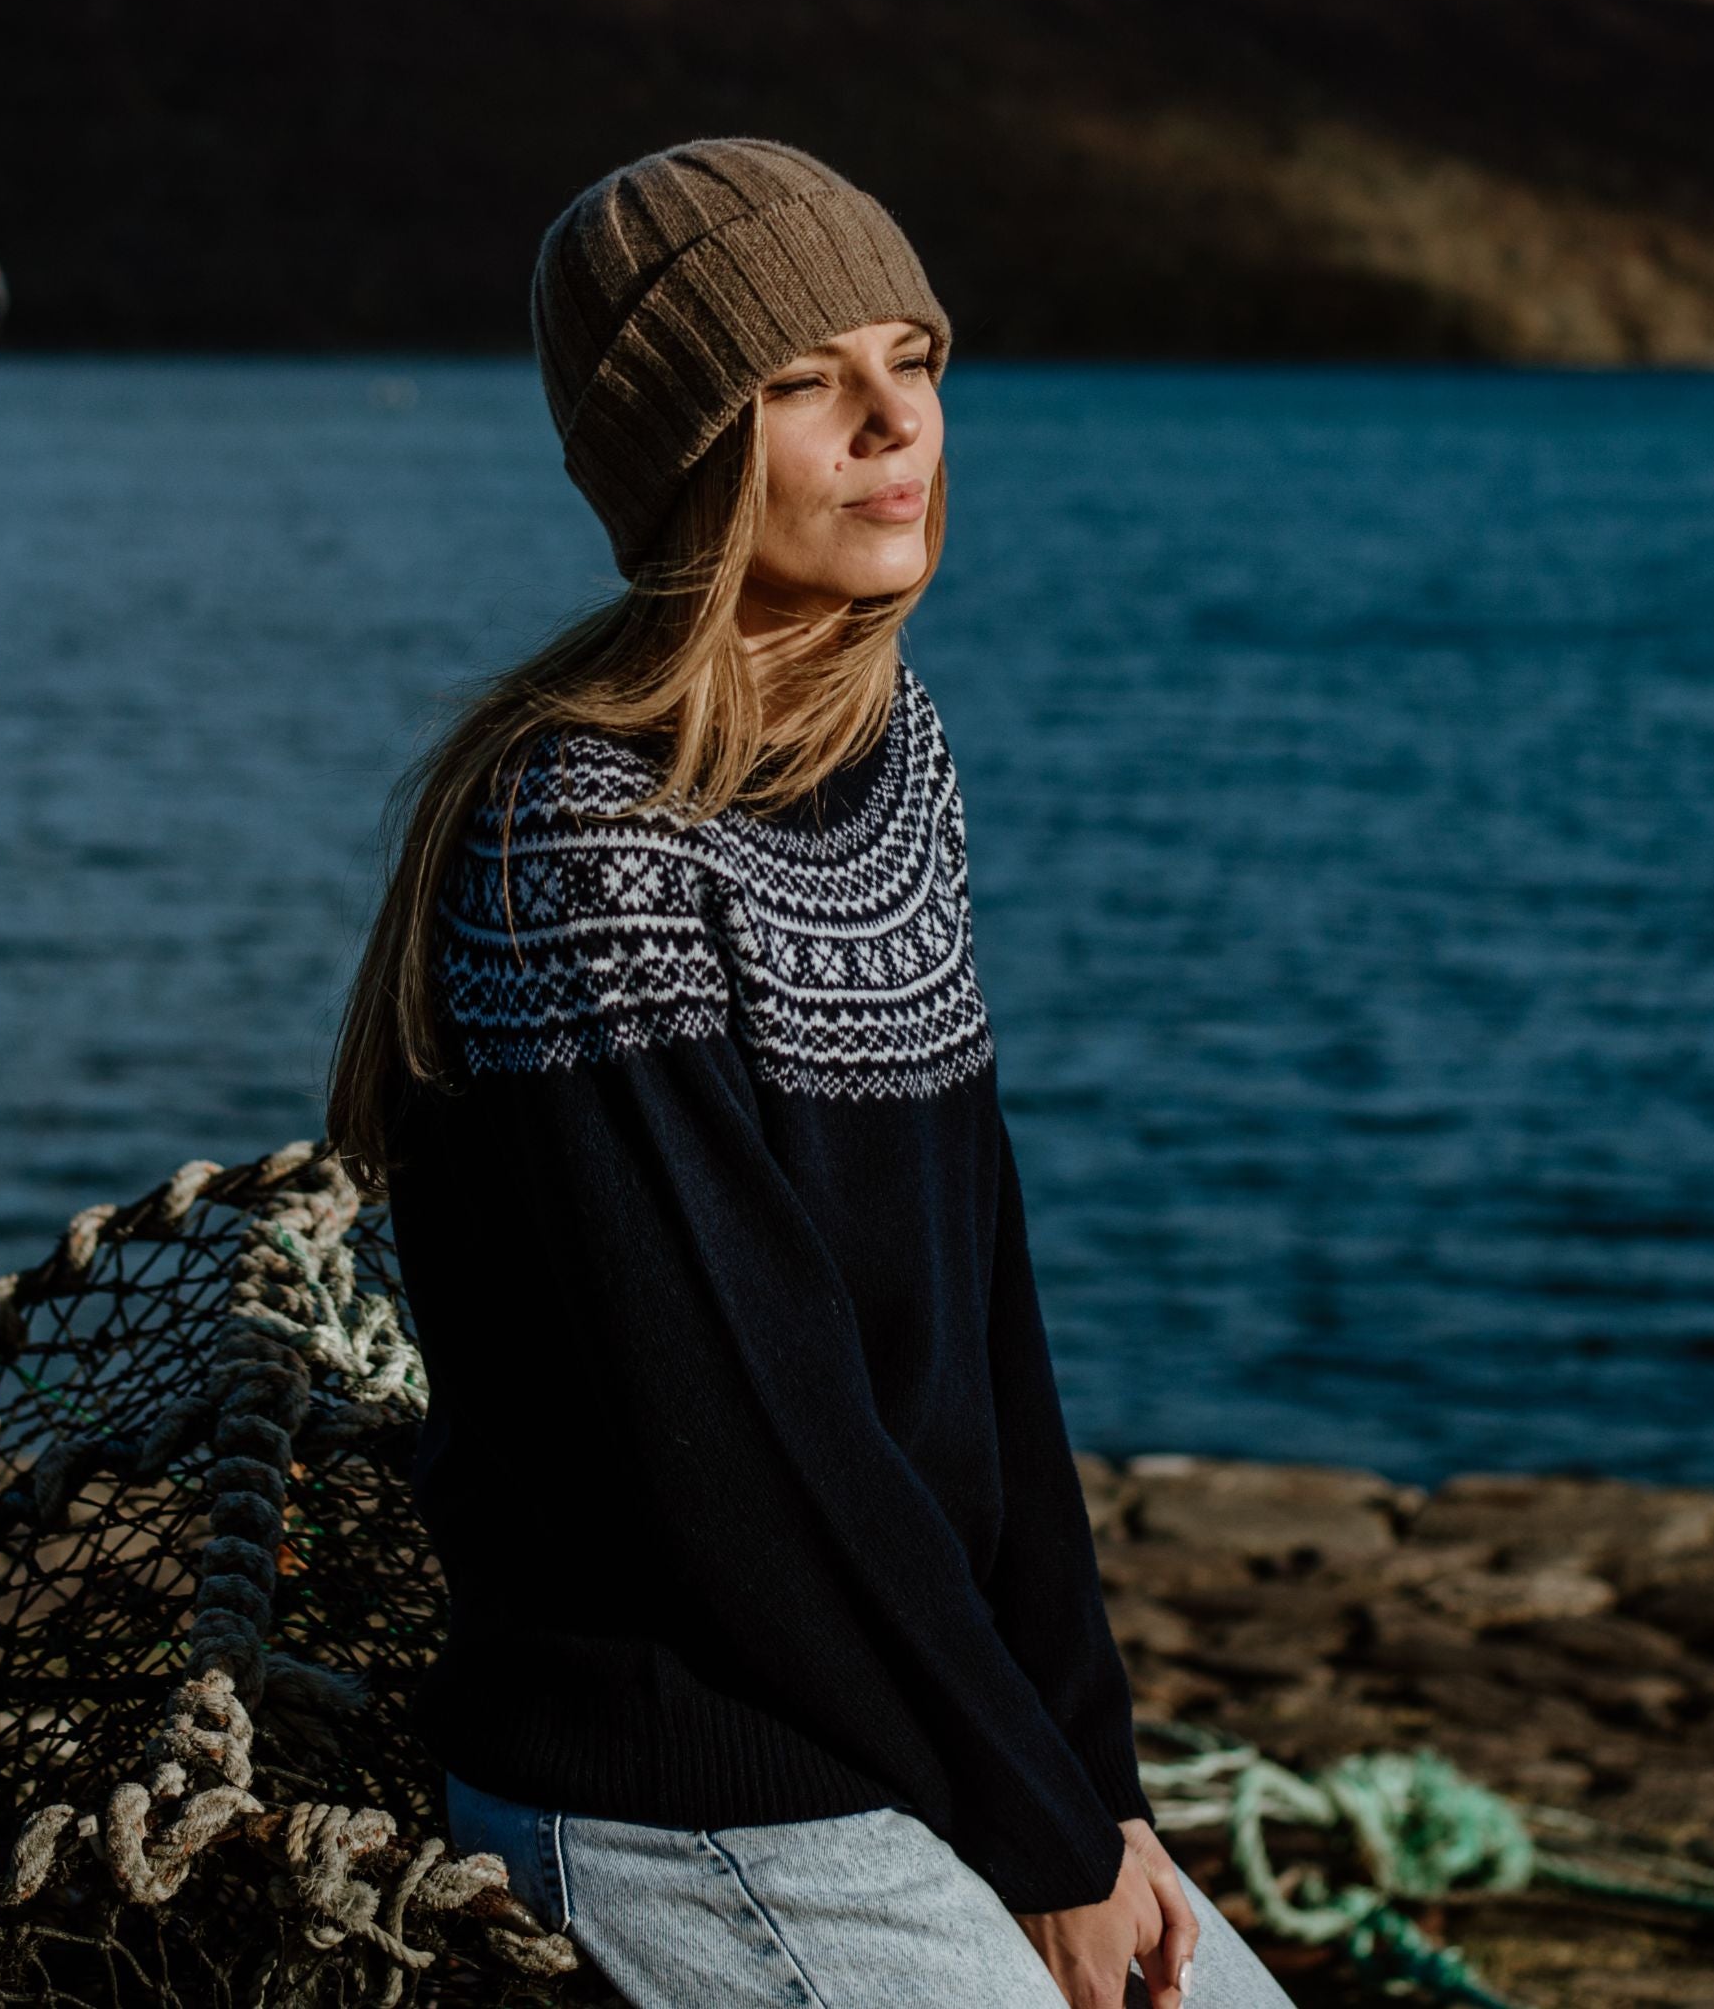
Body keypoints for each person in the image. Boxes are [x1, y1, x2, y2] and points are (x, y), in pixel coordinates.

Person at [329, 140, 1290, 2009]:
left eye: (910, 360)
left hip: (917, 1735)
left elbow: (989, 1335)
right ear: (678, 451)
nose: (888, 425)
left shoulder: (891, 754)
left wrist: (1102, 1797)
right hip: (691, 1781)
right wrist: (1034, 1833)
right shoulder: (578, 841)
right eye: (798, 383)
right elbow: (741, 1445)